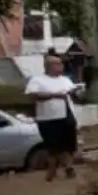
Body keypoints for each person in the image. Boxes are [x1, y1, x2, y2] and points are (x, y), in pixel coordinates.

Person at [25, 52, 78, 181]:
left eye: (61, 63)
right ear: (49, 66)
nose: (61, 66)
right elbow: (32, 95)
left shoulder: (65, 80)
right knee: (53, 146)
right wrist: (54, 95)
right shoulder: (37, 80)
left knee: (69, 144)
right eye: (58, 64)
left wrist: (77, 93)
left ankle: (68, 168)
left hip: (66, 115)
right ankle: (53, 170)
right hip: (48, 118)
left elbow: (73, 94)